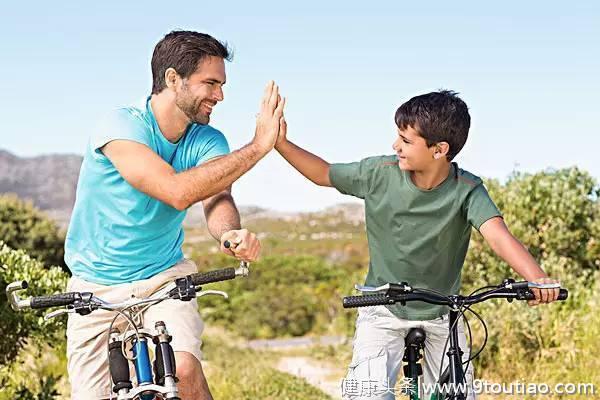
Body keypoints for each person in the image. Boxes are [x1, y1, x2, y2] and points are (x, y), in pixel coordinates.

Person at [274, 90, 560, 399]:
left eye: (406, 141)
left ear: (439, 150)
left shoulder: (467, 189)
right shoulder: (378, 173)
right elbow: (323, 173)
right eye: (398, 136)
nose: (395, 146)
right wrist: (280, 143)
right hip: (381, 308)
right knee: (367, 394)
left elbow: (498, 235)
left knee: (457, 395)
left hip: (442, 312)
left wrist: (537, 277)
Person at [64, 30, 285, 399]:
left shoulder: (207, 139)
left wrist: (229, 234)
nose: (220, 95)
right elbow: (176, 191)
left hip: (163, 277)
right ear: (172, 79)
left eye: (221, 84)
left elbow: (216, 198)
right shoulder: (121, 127)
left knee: (183, 370)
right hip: (96, 285)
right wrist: (260, 145)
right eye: (210, 83)